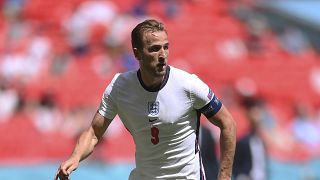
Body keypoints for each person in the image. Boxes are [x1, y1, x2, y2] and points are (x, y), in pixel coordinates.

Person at [55, 19, 236, 180]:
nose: (162, 55)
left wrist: (225, 176)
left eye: (166, 47)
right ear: (137, 53)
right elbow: (94, 132)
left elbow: (227, 123)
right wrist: (75, 157)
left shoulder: (188, 85)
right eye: (154, 49)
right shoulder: (120, 87)